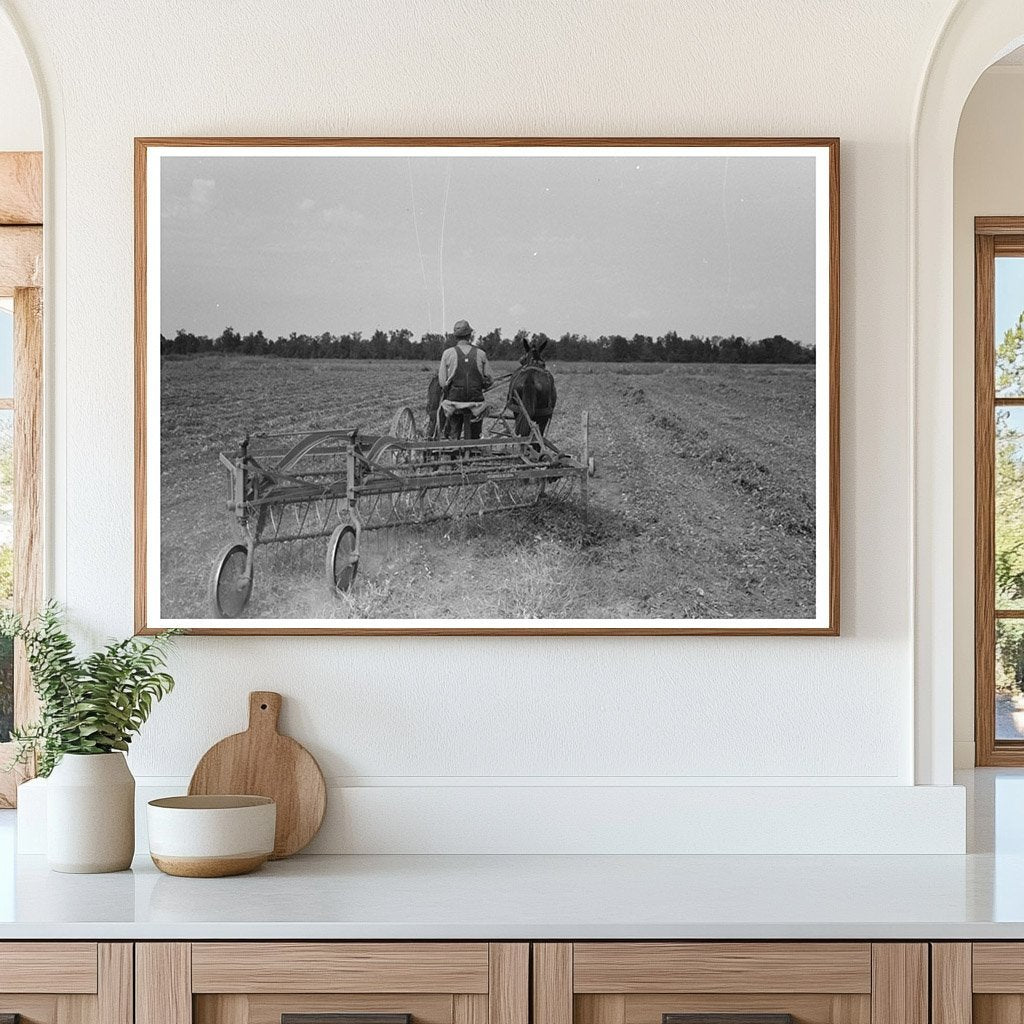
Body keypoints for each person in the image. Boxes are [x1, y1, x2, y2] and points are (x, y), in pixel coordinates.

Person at [438, 319, 493, 439]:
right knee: (475, 435)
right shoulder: (481, 354)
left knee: (453, 433)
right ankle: (474, 443)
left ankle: (454, 442)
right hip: (476, 403)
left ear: (455, 337)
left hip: (454, 403)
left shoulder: (447, 353)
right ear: (470, 335)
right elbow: (490, 380)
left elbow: (442, 382)